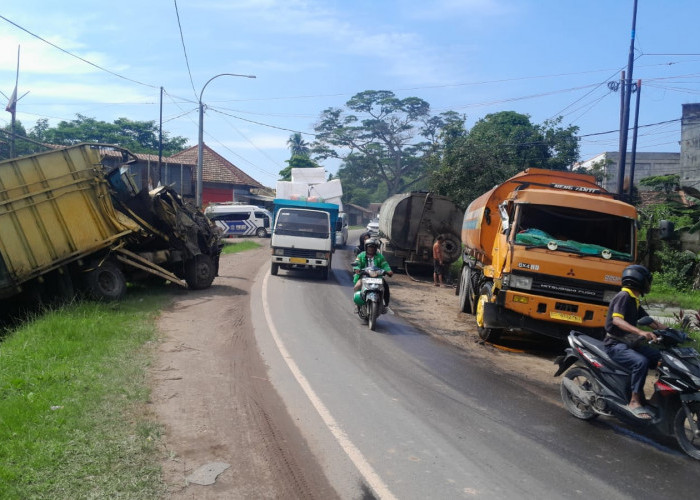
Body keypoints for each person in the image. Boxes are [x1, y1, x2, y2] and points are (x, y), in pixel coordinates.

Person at [603, 264, 663, 419]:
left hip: (629, 343)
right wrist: (640, 332)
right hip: (615, 344)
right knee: (640, 362)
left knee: (662, 358)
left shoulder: (634, 300)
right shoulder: (623, 297)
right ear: (640, 281)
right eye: (648, 281)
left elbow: (650, 321)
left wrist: (671, 331)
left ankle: (656, 398)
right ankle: (634, 401)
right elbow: (617, 321)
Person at [352, 238, 393, 307]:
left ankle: (385, 305)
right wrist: (357, 269)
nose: (371, 249)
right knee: (357, 286)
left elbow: (385, 265)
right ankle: (358, 303)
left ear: (376, 248)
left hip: (377, 277)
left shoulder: (380, 256)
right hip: (364, 276)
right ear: (366, 247)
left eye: (373, 247)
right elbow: (357, 262)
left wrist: (388, 271)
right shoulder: (361, 255)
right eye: (369, 247)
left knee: (385, 287)